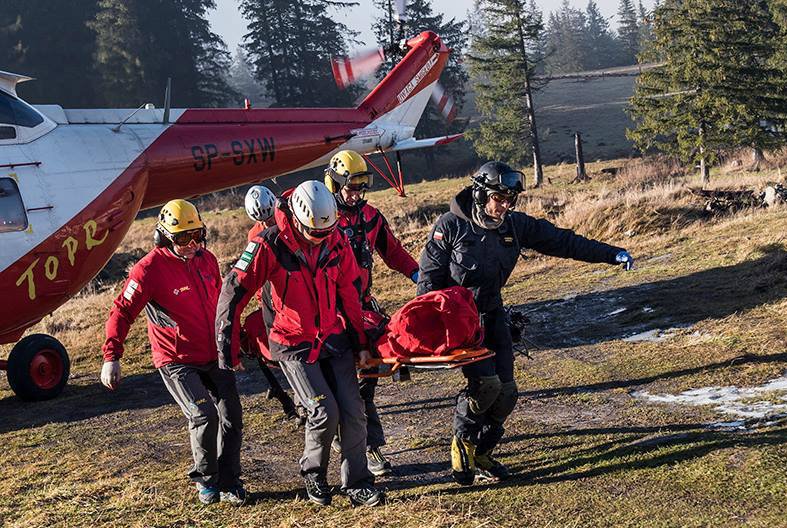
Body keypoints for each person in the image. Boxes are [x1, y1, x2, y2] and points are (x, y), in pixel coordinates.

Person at [417, 161, 634, 486]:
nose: (505, 206)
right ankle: (463, 442)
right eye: (499, 198)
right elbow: (428, 282)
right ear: (480, 194)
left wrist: (611, 254)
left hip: (493, 315)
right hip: (460, 321)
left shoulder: (514, 226)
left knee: (507, 393)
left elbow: (563, 242)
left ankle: (483, 452)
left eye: (510, 200)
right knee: (486, 386)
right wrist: (435, 327)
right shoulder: (450, 226)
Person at [216, 181, 384, 507]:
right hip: (292, 343)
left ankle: (358, 482)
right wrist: (228, 348)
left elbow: (350, 292)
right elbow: (233, 293)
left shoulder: (336, 240)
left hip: (333, 338)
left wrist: (361, 342)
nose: (321, 238)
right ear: (297, 219)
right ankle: (314, 473)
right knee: (324, 412)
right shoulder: (268, 245)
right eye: (315, 233)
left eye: (327, 232)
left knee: (353, 411)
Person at [99, 199, 245, 505]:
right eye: (183, 238)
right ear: (164, 236)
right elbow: (122, 311)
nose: (192, 244)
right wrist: (112, 356)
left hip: (213, 354)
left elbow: (221, 306)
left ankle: (230, 481)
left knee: (232, 416)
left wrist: (233, 342)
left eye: (197, 235)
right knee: (204, 415)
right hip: (176, 360)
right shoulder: (147, 270)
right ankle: (207, 479)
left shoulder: (207, 259)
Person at [324, 150, 419, 476]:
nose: (356, 194)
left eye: (361, 187)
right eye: (351, 187)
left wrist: (419, 275)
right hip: (329, 315)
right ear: (334, 184)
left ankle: (368, 445)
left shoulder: (371, 217)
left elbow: (394, 252)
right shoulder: (322, 218)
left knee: (366, 380)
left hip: (362, 309)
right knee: (341, 387)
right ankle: (350, 440)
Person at [241, 185, 303, 425]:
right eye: (262, 221)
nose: (267, 224)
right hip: (273, 298)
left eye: (269, 218)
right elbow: (256, 273)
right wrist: (262, 300)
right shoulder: (254, 236)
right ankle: (299, 401)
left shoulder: (289, 219)